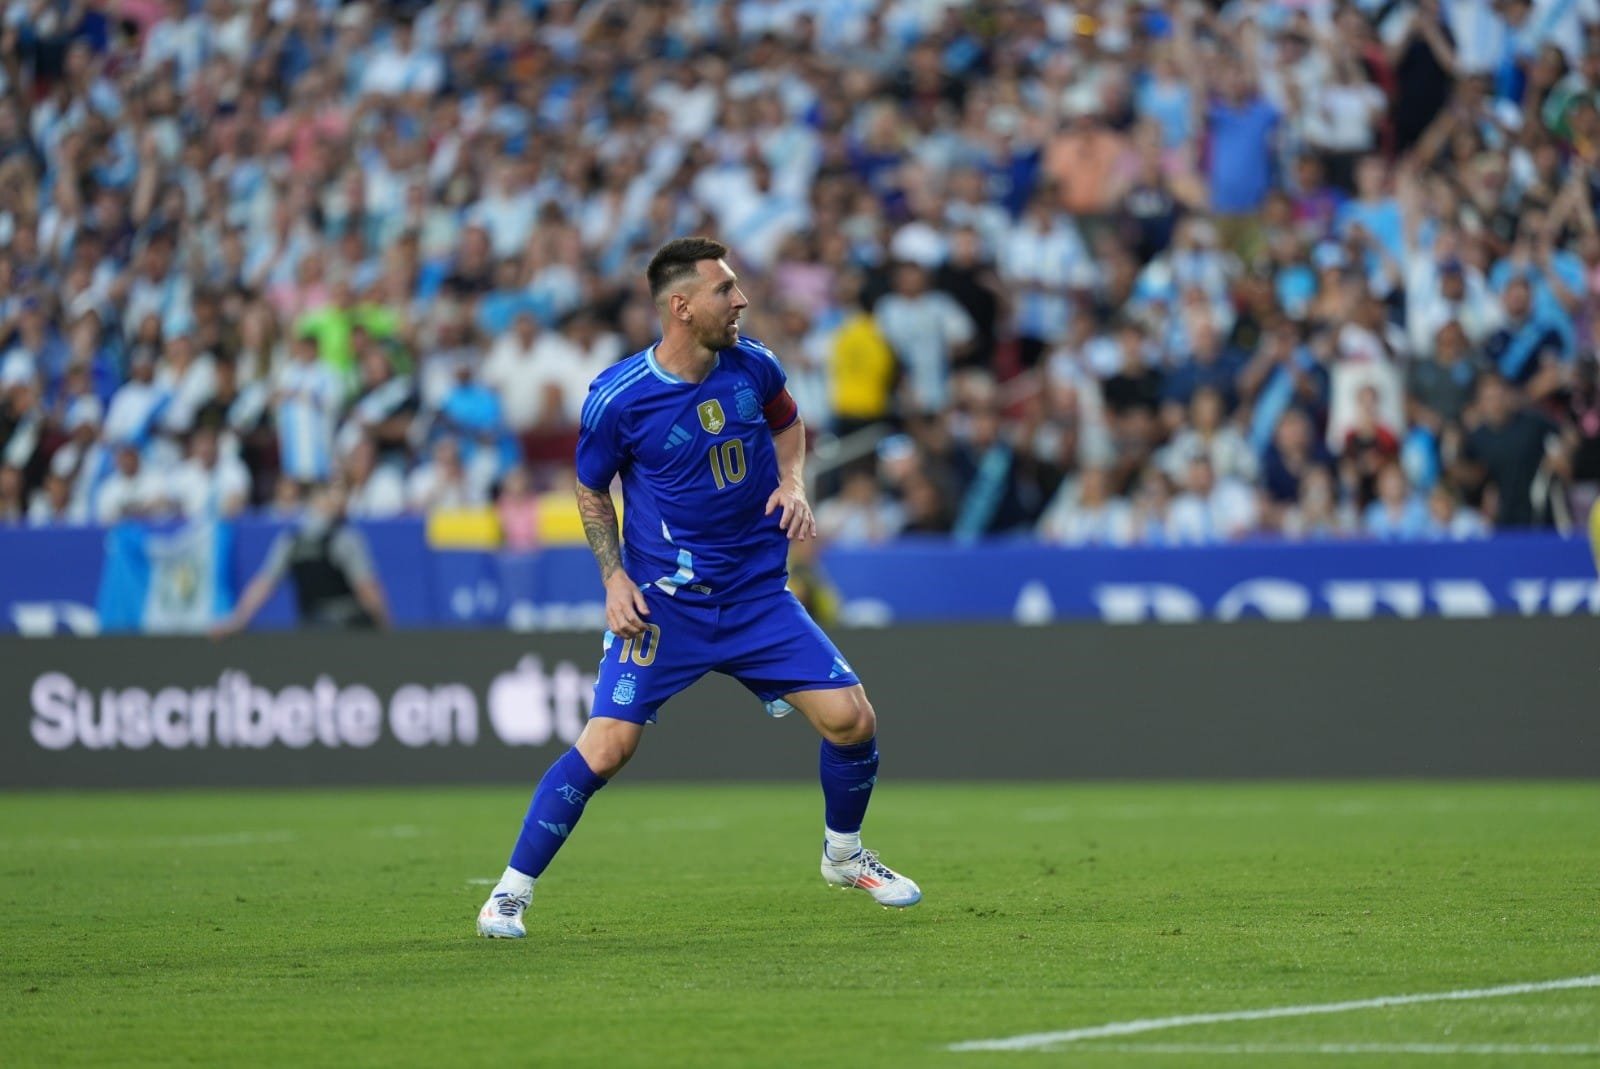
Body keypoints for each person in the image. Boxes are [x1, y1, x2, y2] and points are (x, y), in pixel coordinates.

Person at [477, 238, 921, 940]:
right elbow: (591, 489)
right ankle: (509, 893)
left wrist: (792, 481)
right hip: (665, 607)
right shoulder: (619, 398)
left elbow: (787, 422)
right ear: (681, 307)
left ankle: (844, 855)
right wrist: (614, 577)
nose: (741, 300)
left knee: (852, 719)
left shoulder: (754, 365)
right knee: (607, 747)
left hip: (755, 596)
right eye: (726, 290)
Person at [210, 480, 390, 636]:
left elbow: (264, 584)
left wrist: (238, 620)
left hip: (312, 630)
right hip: (348, 631)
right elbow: (367, 589)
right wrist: (385, 625)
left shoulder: (292, 540)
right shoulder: (344, 539)